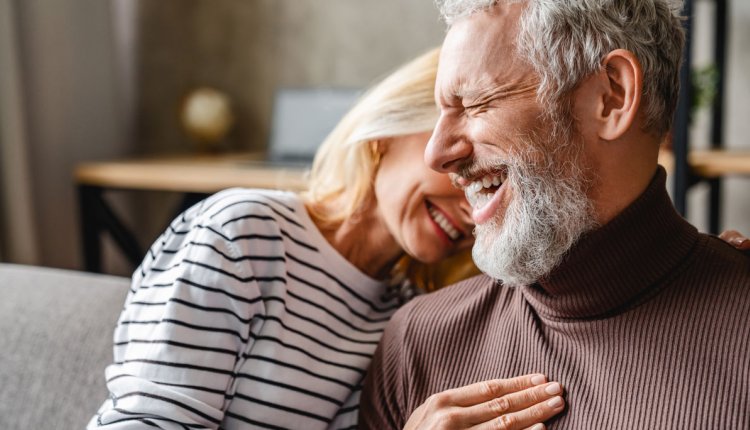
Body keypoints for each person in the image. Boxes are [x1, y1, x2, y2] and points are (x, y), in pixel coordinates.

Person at [88, 48, 566, 430]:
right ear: (390, 131)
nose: (473, 206)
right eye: (463, 166)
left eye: (493, 184)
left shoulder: (406, 315)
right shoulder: (243, 235)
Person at [360, 1, 750, 429]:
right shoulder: (417, 343)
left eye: (475, 104)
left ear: (611, 96)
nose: (437, 154)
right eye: (441, 113)